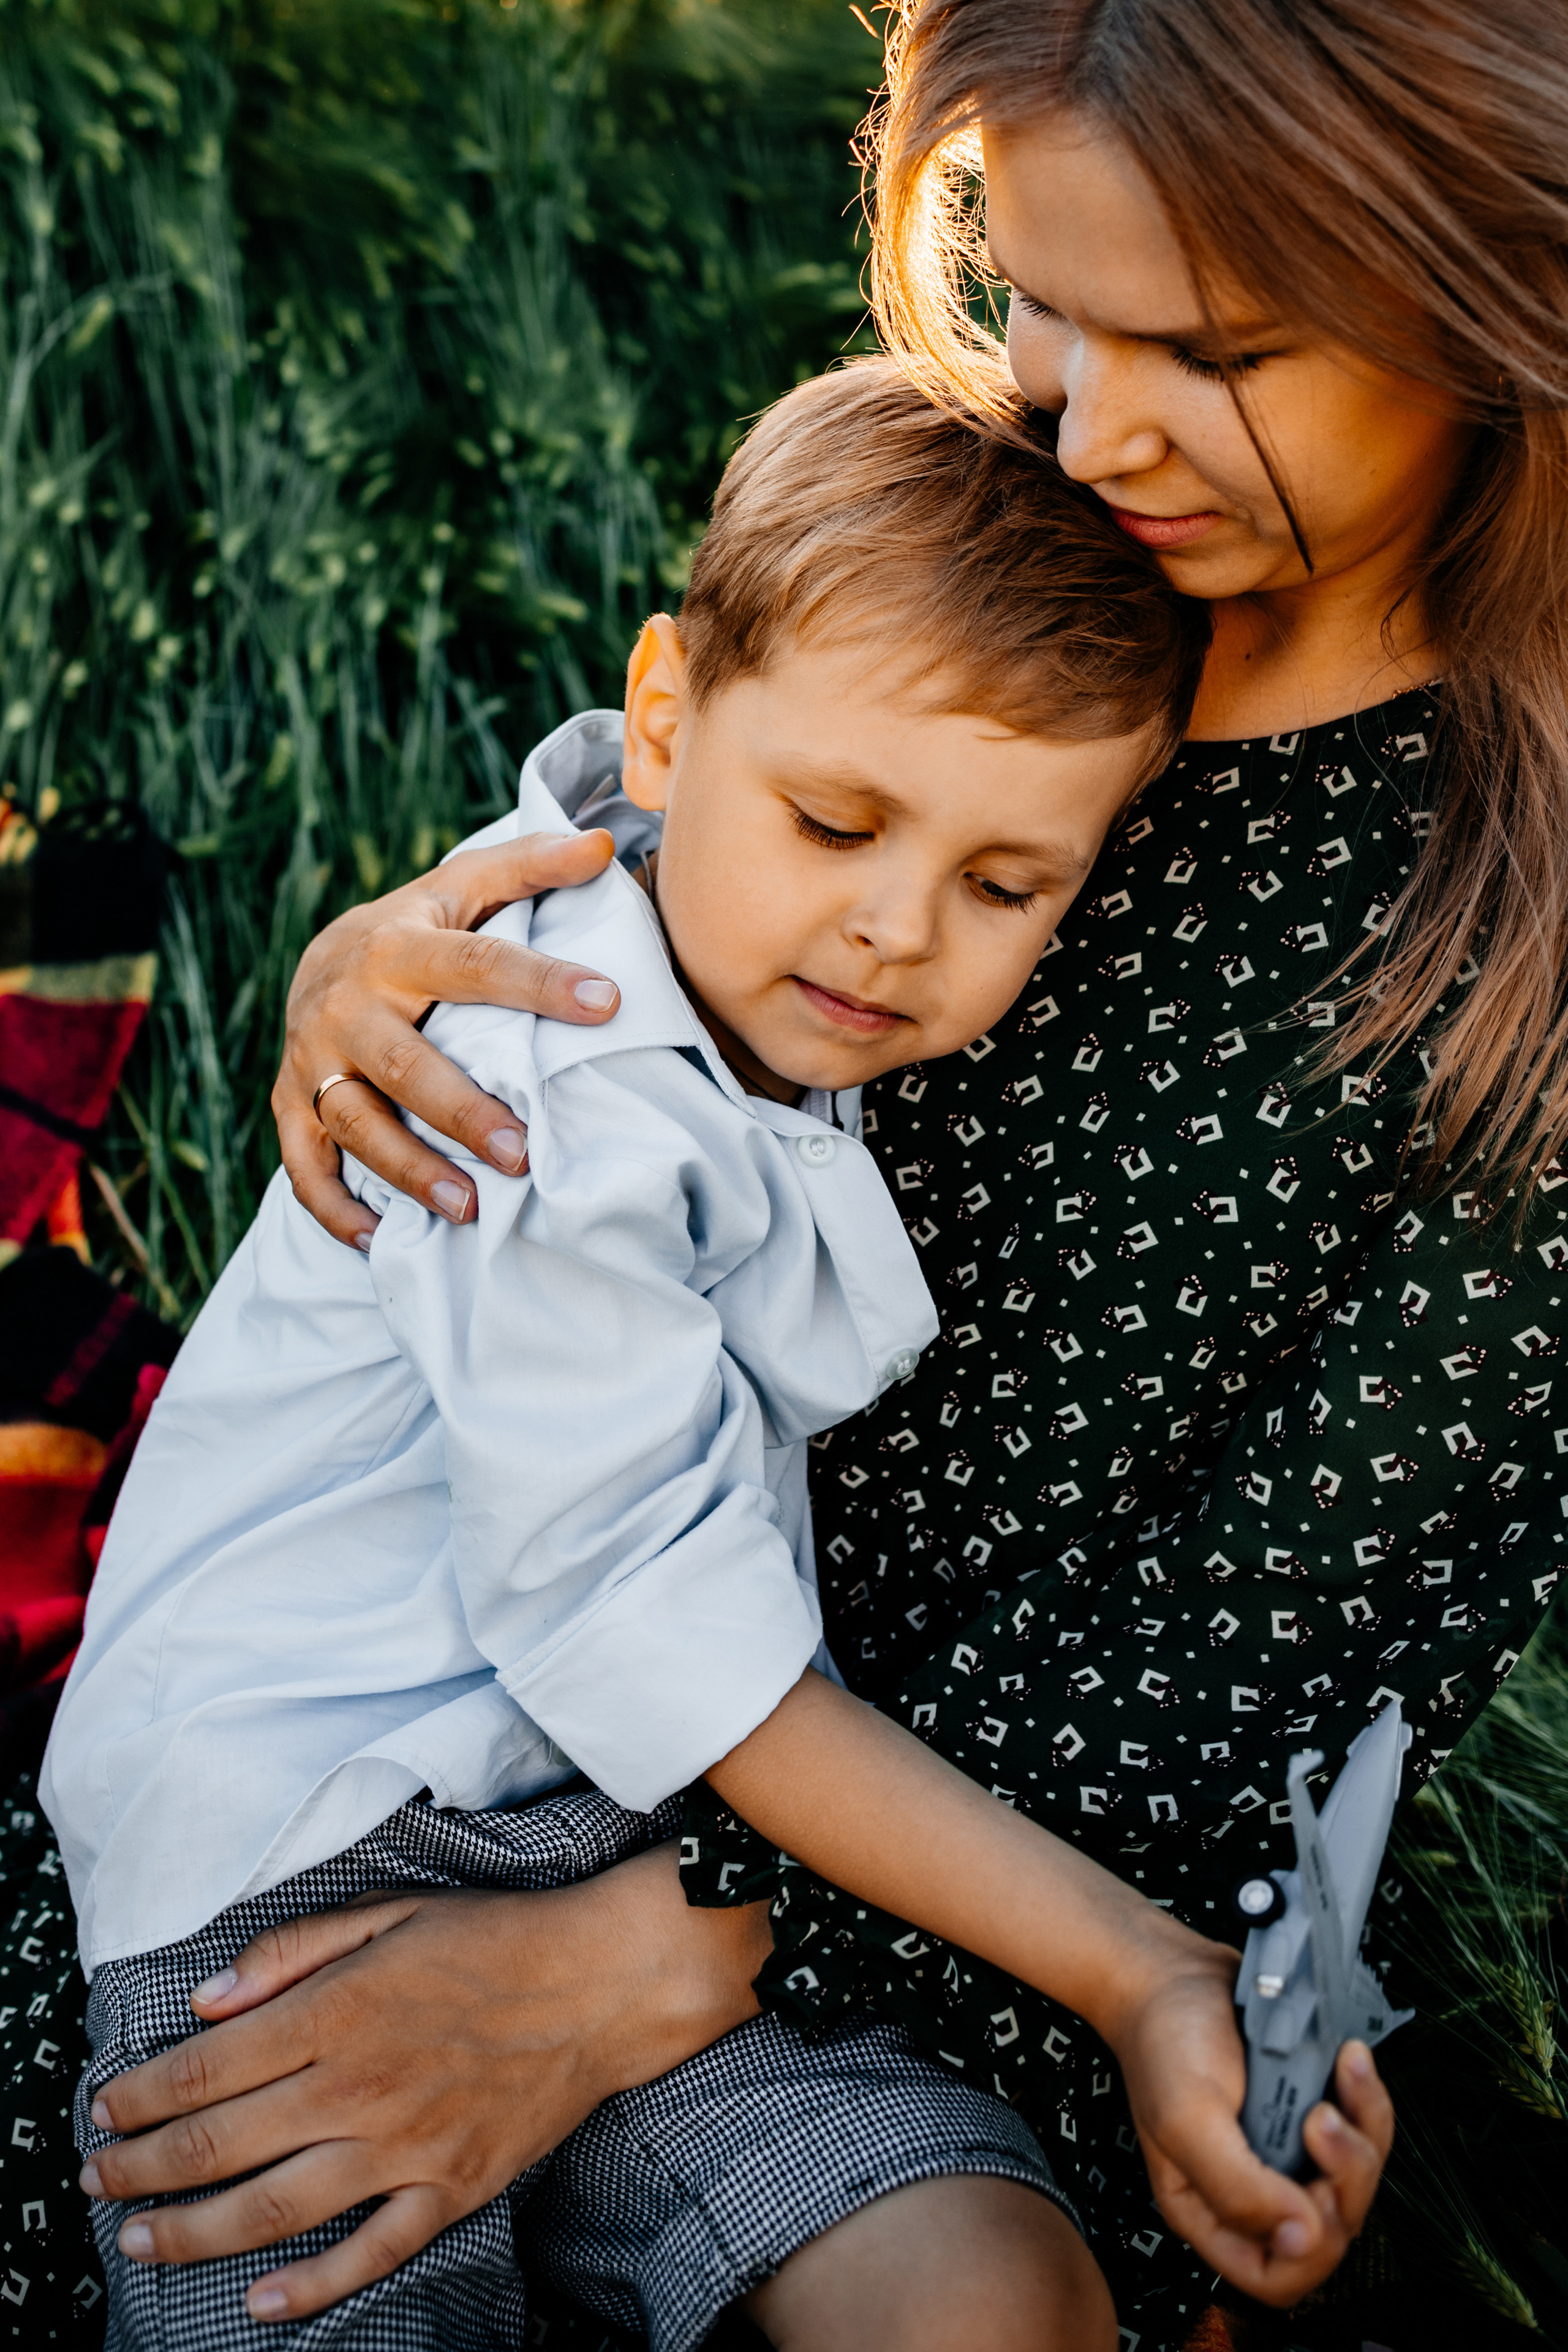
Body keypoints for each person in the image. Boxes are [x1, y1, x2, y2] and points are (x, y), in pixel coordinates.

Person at [93, 0, 1568, 2336]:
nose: (1085, 419)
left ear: (1496, 288)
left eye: (1208, 343)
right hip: (439, 1731)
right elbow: (682, 816)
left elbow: (1270, 1631)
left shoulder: (1511, 905)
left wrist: (620, 1968)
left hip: (985, 1890)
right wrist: (409, 951)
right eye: (1038, 305)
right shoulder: (1051, 563)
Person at [47, 360, 1311, 2352]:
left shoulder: (751, 971)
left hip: (645, 1868)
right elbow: (666, 1644)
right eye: (836, 822)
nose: (898, 929)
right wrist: (1139, 1973)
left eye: (1008, 885)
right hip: (298, 1888)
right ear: (665, 715)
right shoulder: (535, 1094)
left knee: (981, 2288)